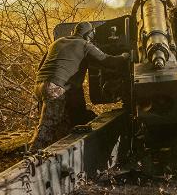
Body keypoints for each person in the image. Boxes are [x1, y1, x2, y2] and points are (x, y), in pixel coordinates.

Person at [30, 22, 128, 151]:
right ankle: (32, 155)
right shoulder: (85, 45)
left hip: (39, 85)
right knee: (49, 124)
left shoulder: (58, 42)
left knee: (63, 124)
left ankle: (56, 153)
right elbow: (107, 61)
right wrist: (124, 57)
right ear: (89, 35)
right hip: (56, 87)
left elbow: (41, 66)